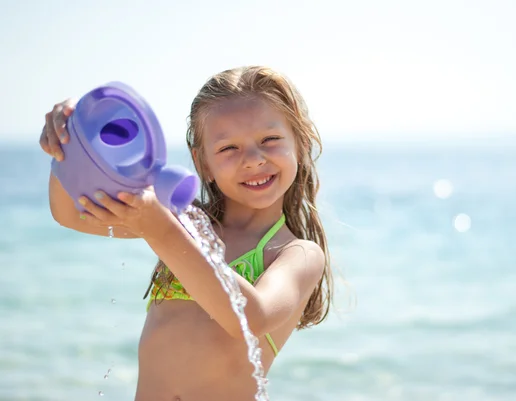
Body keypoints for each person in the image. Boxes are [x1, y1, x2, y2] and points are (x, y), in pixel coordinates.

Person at [40, 66, 334, 401]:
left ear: (301, 144)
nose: (253, 159)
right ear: (203, 162)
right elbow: (71, 215)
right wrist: (69, 142)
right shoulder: (183, 223)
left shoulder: (297, 253)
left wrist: (161, 229)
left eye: (269, 140)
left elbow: (250, 318)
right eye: (228, 149)